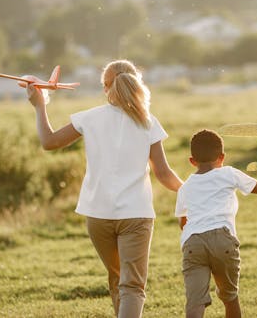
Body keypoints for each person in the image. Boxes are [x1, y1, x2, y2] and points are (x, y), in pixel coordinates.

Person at [25, 59, 183, 317]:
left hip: (98, 216)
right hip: (136, 215)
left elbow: (49, 142)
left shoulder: (90, 118)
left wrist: (40, 105)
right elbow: (163, 173)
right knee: (132, 285)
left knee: (117, 277)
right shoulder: (148, 122)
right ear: (135, 83)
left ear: (107, 87)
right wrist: (190, 190)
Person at [175, 129, 257, 318]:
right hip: (223, 240)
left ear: (192, 161)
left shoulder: (185, 187)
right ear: (222, 157)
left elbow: (183, 222)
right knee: (230, 297)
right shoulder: (228, 173)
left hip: (193, 243)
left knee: (195, 303)